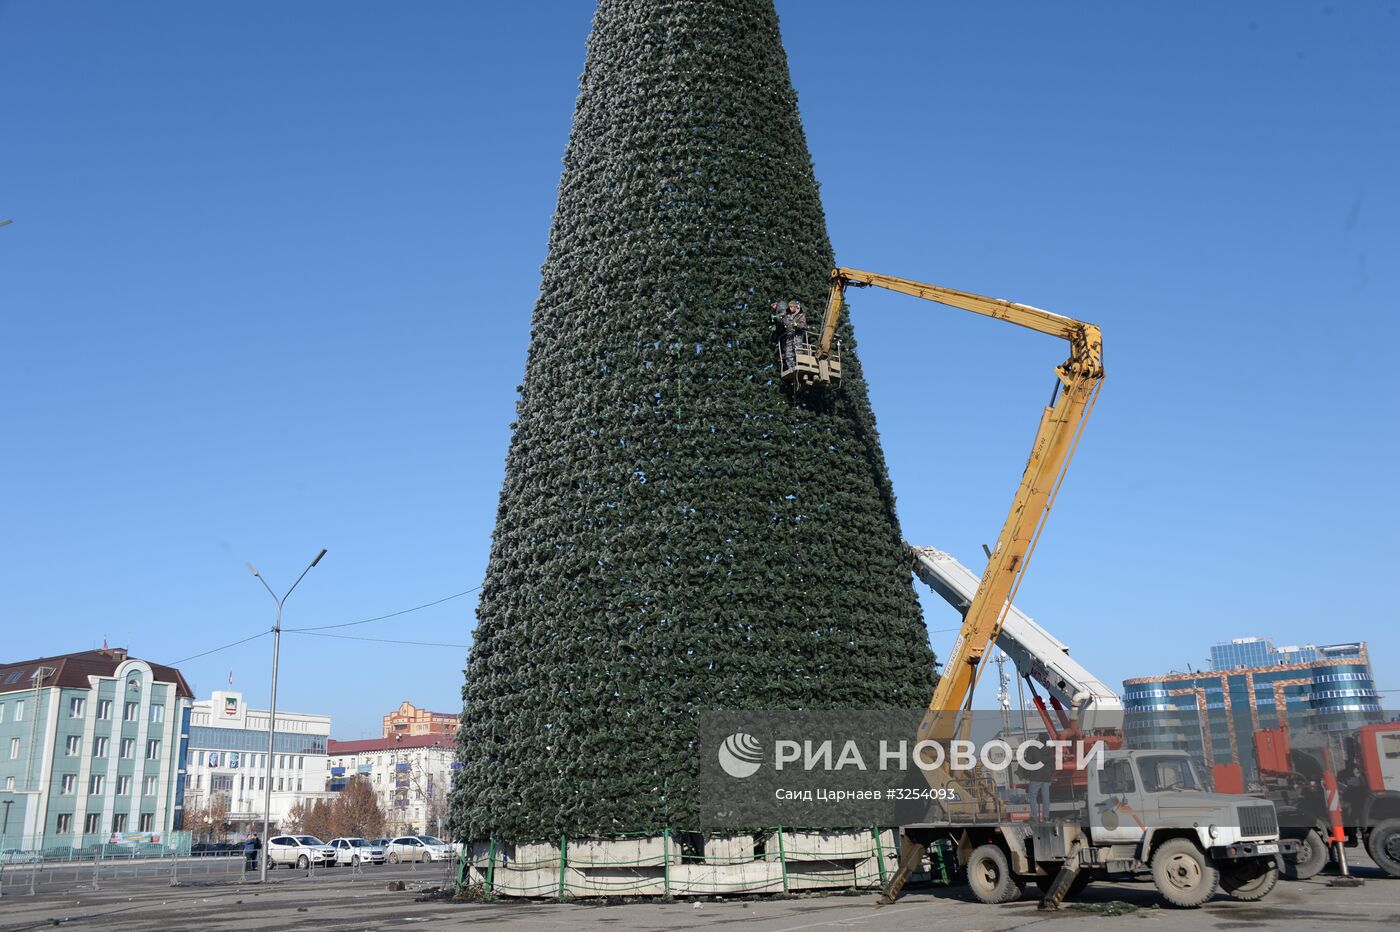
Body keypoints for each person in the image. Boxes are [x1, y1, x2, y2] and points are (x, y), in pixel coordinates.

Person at [774, 298, 807, 372]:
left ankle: (799, 366)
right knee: (788, 354)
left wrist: (796, 325)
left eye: (792, 307)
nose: (790, 308)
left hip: (797, 336)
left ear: (795, 307)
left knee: (798, 352)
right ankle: (791, 369)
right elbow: (784, 322)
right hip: (789, 337)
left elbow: (804, 326)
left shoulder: (800, 315)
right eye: (790, 307)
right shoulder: (788, 316)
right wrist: (779, 319)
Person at [1024, 741, 1053, 822]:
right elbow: (1052, 764)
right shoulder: (1049, 750)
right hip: (1046, 778)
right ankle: (1046, 817)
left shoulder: (1032, 749)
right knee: (1046, 798)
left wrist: (1026, 774)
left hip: (1035, 777)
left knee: (1032, 796)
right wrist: (1051, 775)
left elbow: (1028, 762)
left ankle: (1034, 817)